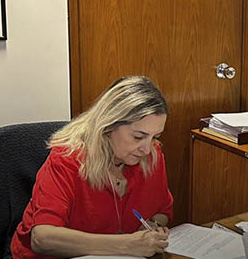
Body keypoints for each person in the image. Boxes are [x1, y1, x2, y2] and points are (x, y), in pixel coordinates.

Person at [10, 76, 174, 259]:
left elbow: (163, 211)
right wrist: (127, 244)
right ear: (109, 126)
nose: (146, 148)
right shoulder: (66, 159)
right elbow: (42, 238)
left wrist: (151, 227)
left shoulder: (152, 156)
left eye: (155, 137)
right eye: (138, 137)